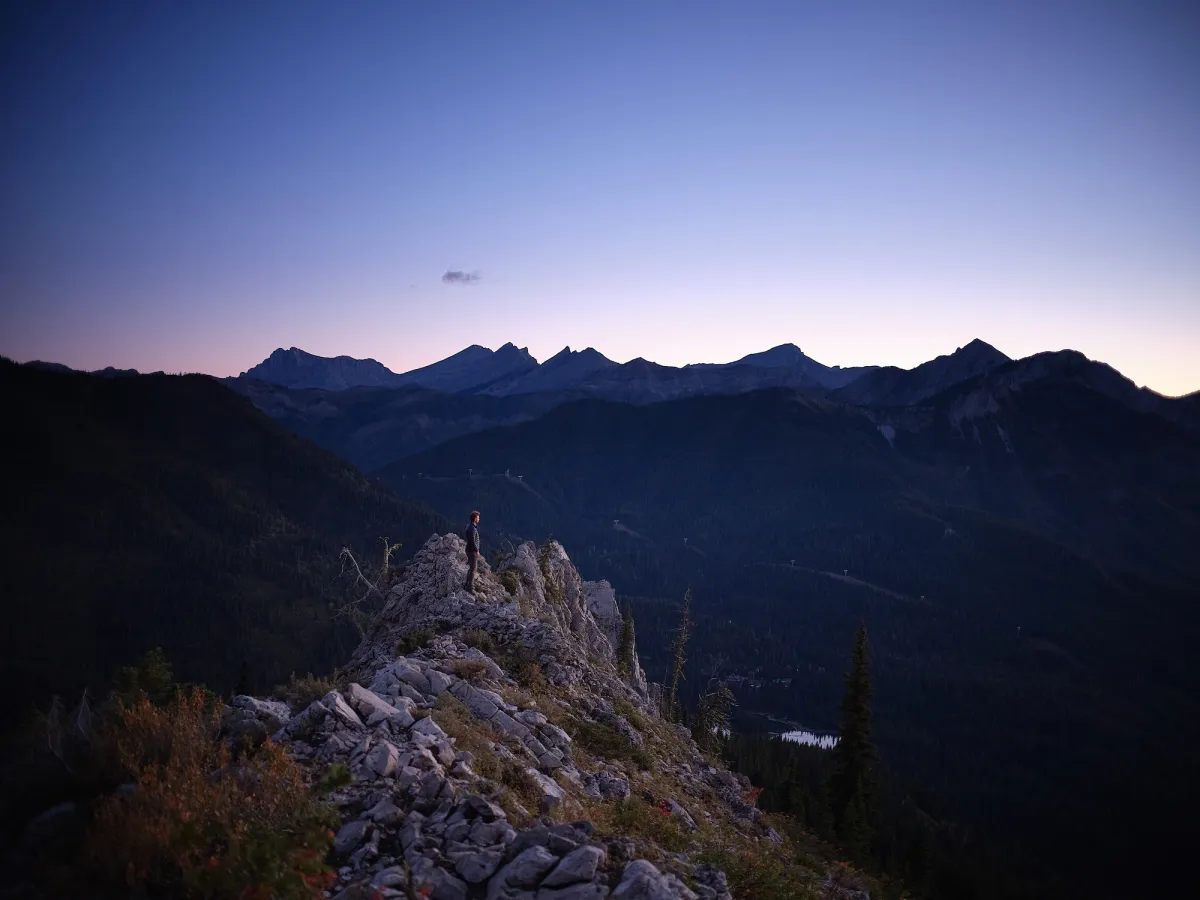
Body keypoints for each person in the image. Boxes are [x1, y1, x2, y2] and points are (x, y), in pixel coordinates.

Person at [463, 510, 481, 592]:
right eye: (478, 517)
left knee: (471, 568)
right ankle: (470, 587)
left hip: (469, 550)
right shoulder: (472, 528)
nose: (479, 519)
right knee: (473, 569)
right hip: (472, 551)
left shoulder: (470, 526)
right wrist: (476, 550)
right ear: (474, 518)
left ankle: (466, 584)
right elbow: (472, 541)